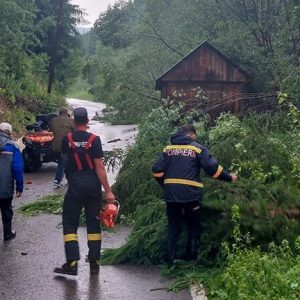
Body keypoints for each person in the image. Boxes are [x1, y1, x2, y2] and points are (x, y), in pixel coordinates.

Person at [152, 124, 237, 265]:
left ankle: (170, 260)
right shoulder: (197, 148)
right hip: (191, 195)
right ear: (191, 134)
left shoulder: (168, 149)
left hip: (171, 195)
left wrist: (165, 185)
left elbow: (157, 170)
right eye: (194, 136)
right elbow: (213, 169)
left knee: (173, 227)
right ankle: (191, 258)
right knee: (194, 225)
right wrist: (229, 178)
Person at [54, 107, 116, 276]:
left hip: (75, 186)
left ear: (74, 121)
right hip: (93, 188)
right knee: (93, 224)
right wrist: (108, 191)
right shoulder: (94, 140)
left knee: (70, 223)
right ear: (87, 121)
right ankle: (94, 261)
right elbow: (100, 168)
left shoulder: (67, 140)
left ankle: (72, 263)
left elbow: (66, 162)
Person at [0, 122, 23, 241]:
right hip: (4, 186)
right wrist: (20, 187)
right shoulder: (12, 146)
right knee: (6, 210)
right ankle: (7, 234)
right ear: (9, 132)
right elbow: (18, 169)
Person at [49, 107, 74, 188]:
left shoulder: (53, 120)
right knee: (62, 163)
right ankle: (57, 180)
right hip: (66, 145)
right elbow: (75, 132)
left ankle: (69, 179)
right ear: (67, 113)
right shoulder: (70, 120)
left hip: (55, 146)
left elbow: (51, 130)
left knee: (63, 161)